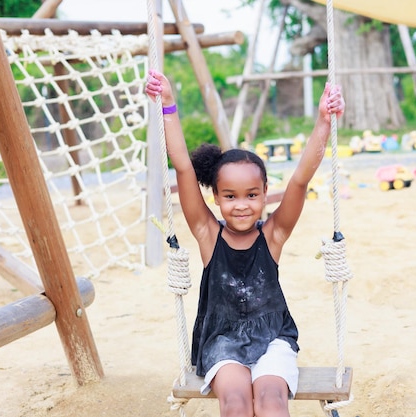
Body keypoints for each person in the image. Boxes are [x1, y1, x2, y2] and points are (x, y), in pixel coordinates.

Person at [145, 70, 344, 417]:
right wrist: (168, 105)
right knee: (236, 404)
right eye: (230, 196)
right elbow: (182, 169)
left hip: (273, 338)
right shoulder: (208, 235)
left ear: (266, 192)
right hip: (221, 341)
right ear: (217, 198)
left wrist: (324, 122)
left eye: (252, 194)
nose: (241, 204)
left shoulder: (273, 235)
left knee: (271, 400)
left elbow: (299, 181)